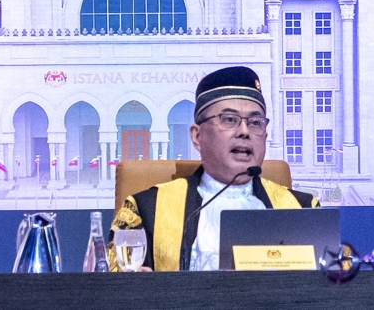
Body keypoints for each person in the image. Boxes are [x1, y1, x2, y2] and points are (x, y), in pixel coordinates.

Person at [108, 66, 319, 271]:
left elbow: (341, 285)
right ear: (197, 136)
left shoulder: (305, 210)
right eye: (229, 120)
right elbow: (108, 290)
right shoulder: (145, 210)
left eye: (256, 122)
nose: (244, 132)